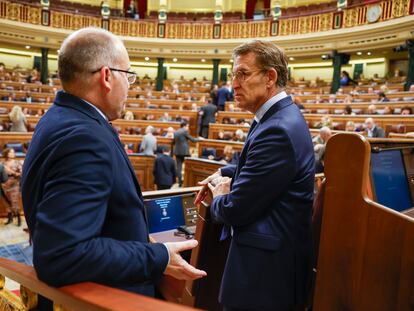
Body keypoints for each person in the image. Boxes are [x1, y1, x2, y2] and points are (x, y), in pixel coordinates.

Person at [21, 27, 206, 310]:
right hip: (104, 299)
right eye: (129, 76)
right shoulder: (85, 137)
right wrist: (159, 256)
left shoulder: (60, 117)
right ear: (107, 76)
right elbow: (63, 254)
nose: (131, 86)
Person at [195, 40, 315, 311]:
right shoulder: (279, 117)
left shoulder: (277, 130)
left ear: (270, 77)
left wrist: (218, 197)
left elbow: (235, 209)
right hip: (271, 269)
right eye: (233, 75)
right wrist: (223, 173)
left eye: (243, 74)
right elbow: (264, 171)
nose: (233, 84)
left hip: (266, 278)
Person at [174, 121, 199, 187]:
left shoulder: (176, 132)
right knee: (190, 165)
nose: (188, 128)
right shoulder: (184, 131)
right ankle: (188, 181)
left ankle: (179, 182)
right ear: (184, 126)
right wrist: (200, 139)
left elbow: (174, 142)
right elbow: (193, 140)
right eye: (187, 126)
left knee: (179, 167)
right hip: (185, 152)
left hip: (177, 151)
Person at [2, 148, 22, 226]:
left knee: (14, 202)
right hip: (4, 185)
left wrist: (12, 172)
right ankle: (10, 218)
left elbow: (21, 174)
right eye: (11, 152)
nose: (13, 154)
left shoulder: (17, 163)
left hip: (14, 184)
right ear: (6, 153)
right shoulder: (2, 163)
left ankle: (19, 218)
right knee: (6, 202)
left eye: (13, 152)